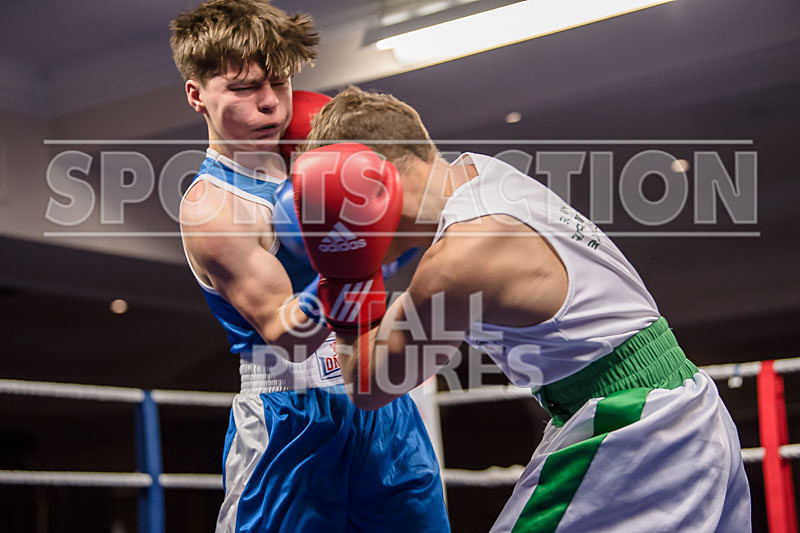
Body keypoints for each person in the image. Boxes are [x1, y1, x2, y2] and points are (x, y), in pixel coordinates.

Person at [291, 86, 752, 532]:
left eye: (330, 206)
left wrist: (345, 277)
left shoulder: (458, 259)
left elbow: (370, 386)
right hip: (679, 405)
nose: (331, 221)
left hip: (633, 425)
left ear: (369, 184)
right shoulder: (483, 175)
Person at [169, 3, 449, 532]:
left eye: (279, 82)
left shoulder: (316, 157)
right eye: (246, 88)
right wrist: (351, 253)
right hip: (290, 420)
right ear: (197, 95)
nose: (270, 103)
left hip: (379, 400)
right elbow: (287, 335)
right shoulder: (213, 207)